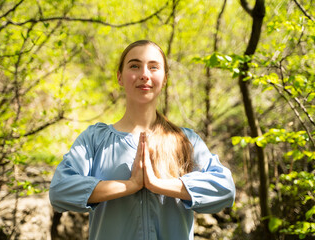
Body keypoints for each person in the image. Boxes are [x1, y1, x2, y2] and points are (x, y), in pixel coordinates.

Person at [49, 40, 235, 240]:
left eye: (153, 67)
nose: (145, 74)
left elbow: (225, 189)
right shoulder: (94, 140)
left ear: (164, 79)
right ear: (120, 77)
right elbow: (60, 190)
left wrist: (159, 185)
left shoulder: (185, 140)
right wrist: (129, 185)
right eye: (134, 66)